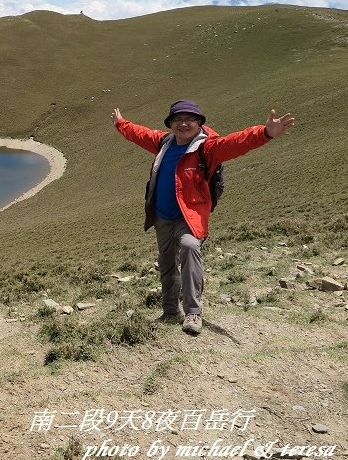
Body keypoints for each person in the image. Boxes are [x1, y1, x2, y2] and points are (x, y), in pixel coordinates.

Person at [111, 100, 295, 336]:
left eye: (190, 119)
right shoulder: (164, 143)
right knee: (167, 263)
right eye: (177, 119)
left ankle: (193, 312)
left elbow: (236, 143)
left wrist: (265, 133)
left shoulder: (207, 149)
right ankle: (170, 311)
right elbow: (141, 134)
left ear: (199, 123)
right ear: (171, 124)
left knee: (189, 246)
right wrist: (121, 124)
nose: (183, 124)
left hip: (189, 217)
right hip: (162, 217)